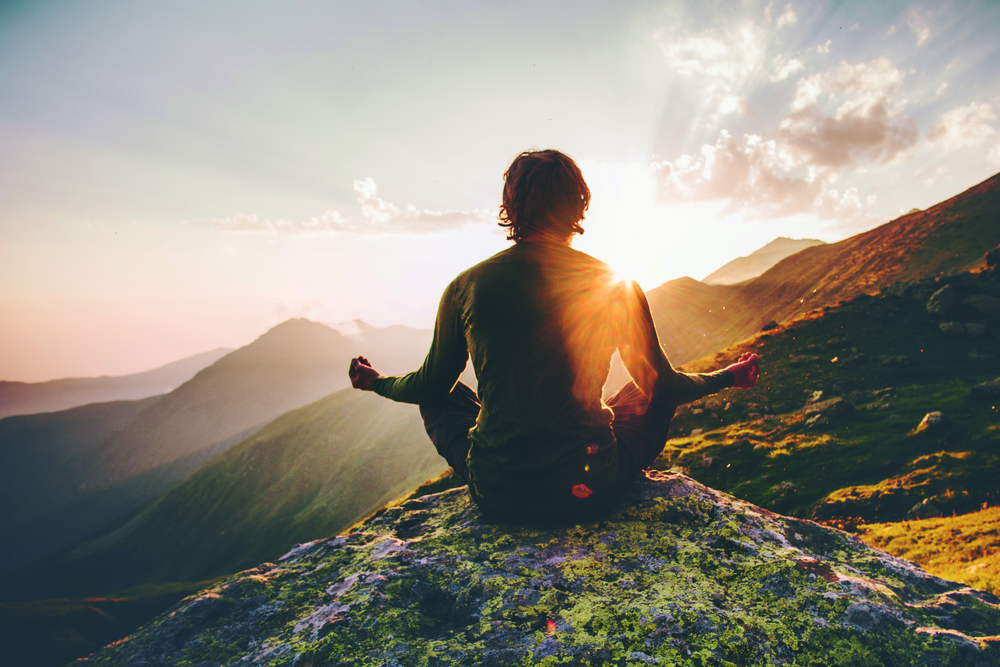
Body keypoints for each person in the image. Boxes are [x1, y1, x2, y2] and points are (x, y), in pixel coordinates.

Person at [350, 149, 759, 524]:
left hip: (498, 493)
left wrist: (376, 382)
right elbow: (665, 387)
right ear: (579, 205)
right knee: (645, 392)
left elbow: (428, 385)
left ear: (510, 207)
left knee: (443, 393)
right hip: (588, 490)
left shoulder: (467, 286)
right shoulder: (614, 284)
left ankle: (505, 459)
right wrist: (729, 376)